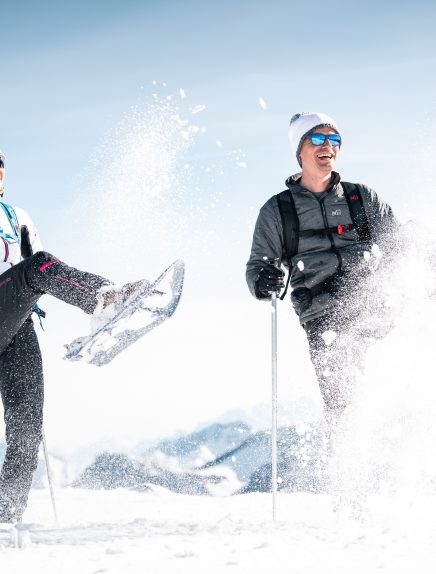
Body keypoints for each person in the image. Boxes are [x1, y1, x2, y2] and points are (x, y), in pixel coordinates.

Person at [0, 151, 149, 523]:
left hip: (15, 324)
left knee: (27, 429)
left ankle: (5, 517)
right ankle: (104, 299)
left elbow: (36, 271)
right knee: (38, 266)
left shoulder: (18, 217)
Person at [246, 112, 398, 417]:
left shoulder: (361, 197)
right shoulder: (279, 210)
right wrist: (263, 279)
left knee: (391, 393)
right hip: (324, 315)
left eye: (334, 139)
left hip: (372, 303)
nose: (327, 145)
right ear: (300, 150)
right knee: (345, 405)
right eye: (317, 138)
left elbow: (398, 243)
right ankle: (343, 457)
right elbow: (257, 266)